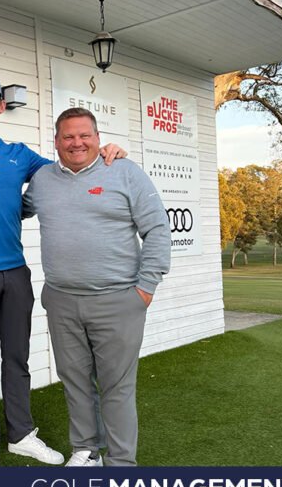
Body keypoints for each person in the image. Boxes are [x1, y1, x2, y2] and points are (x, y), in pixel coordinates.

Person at [0, 74, 126, 467]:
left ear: (1, 107)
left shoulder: (20, 155)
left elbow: (69, 168)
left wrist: (107, 152)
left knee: (17, 357)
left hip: (15, 272)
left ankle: (21, 435)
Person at [23, 108, 171, 467]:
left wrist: (146, 287)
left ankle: (120, 463)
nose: (77, 143)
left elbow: (157, 229)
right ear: (56, 141)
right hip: (61, 300)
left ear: (98, 138)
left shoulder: (125, 172)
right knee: (74, 380)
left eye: (84, 135)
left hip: (118, 300)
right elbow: (11, 210)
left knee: (116, 387)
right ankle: (86, 451)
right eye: (68, 136)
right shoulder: (42, 180)